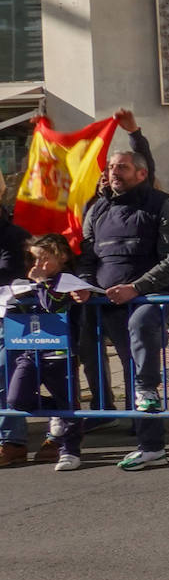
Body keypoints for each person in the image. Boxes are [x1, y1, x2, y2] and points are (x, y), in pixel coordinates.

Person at [77, 149, 169, 471]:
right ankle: (147, 442)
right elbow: (86, 257)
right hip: (106, 302)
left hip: (152, 298)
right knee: (131, 366)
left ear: (141, 173)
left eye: (122, 167)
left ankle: (152, 444)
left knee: (142, 368)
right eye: (111, 167)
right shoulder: (96, 208)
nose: (114, 172)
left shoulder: (164, 204)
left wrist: (136, 289)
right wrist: (83, 284)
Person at [1, 234, 88, 470]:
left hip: (60, 353)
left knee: (66, 399)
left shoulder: (68, 281)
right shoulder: (32, 281)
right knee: (16, 399)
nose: (38, 266)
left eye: (44, 259)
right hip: (29, 350)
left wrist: (41, 284)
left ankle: (70, 450)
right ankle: (59, 411)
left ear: (61, 258)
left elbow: (53, 305)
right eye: (34, 260)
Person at [0, 171, 33, 465]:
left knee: (4, 373)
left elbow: (10, 275)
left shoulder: (14, 236)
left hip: (9, 320)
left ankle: (12, 441)